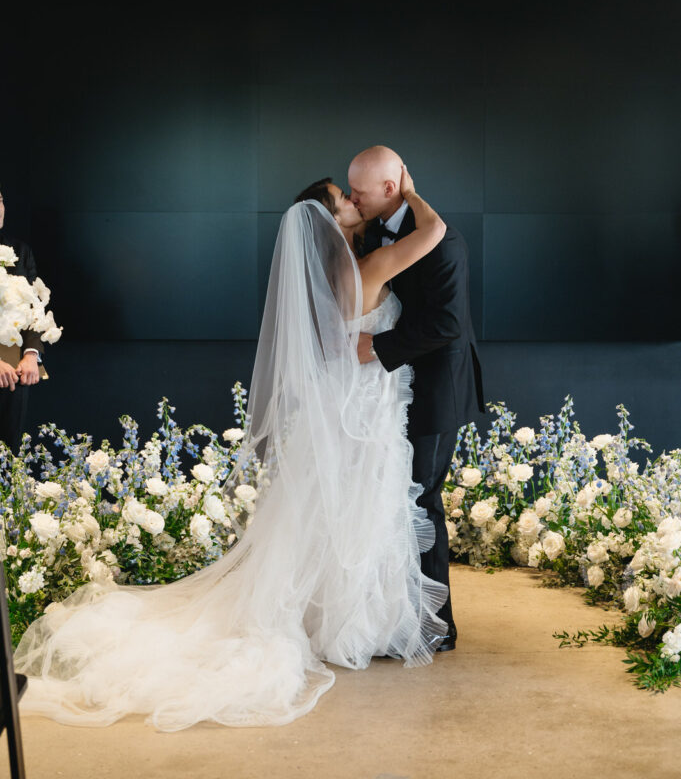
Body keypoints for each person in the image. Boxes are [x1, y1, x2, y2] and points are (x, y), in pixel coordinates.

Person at [15, 167, 451, 731]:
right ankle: (348, 624)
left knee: (334, 510)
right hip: (363, 412)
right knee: (356, 507)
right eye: (344, 199)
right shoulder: (366, 269)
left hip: (354, 409)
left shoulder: (331, 272)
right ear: (328, 220)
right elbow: (435, 231)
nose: (352, 200)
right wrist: (409, 190)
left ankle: (333, 619)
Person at [349, 146, 484, 652]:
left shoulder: (444, 243)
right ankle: (393, 614)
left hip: (433, 392)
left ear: (390, 189)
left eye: (360, 192)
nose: (354, 200)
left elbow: (448, 323)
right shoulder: (371, 229)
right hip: (392, 392)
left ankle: (435, 627)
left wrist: (378, 347)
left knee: (422, 503)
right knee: (394, 501)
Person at [0, 187, 45, 454]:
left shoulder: (20, 250)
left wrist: (31, 354)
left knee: (9, 453)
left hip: (13, 372)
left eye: (1, 200)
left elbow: (34, 305)